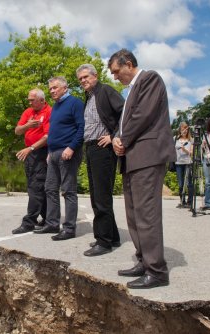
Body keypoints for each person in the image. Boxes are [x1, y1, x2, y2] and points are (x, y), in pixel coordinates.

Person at [109, 49, 176, 289]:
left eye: (117, 72)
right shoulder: (130, 92)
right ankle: (143, 261)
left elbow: (142, 116)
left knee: (146, 215)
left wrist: (123, 139)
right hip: (132, 158)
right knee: (134, 215)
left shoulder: (149, 79)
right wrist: (117, 137)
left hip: (148, 156)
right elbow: (126, 120)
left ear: (128, 64)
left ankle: (156, 271)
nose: (116, 77)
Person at [76, 64, 124, 256]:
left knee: (101, 197)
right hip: (91, 148)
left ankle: (103, 242)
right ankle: (112, 236)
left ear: (95, 76)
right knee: (97, 194)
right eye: (80, 79)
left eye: (86, 76)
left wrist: (114, 136)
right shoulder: (88, 98)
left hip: (103, 148)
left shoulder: (105, 91)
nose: (83, 81)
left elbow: (125, 112)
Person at [34, 76, 84, 241]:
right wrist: (50, 151)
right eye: (50, 89)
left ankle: (69, 228)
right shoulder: (56, 107)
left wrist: (72, 147)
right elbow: (54, 132)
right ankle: (52, 223)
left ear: (65, 87)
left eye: (55, 88)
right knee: (50, 189)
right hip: (54, 153)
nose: (52, 91)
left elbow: (81, 128)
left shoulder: (75, 103)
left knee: (68, 191)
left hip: (68, 152)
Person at [12, 88, 52, 234]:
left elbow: (48, 136)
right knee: (35, 185)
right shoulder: (28, 112)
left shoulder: (49, 112)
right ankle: (48, 218)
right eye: (28, 99)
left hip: (41, 152)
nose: (29, 102)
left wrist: (32, 149)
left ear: (41, 100)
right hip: (29, 153)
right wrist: (27, 126)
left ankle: (29, 221)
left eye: (32, 100)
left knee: (35, 187)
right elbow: (17, 130)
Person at [174, 122, 194, 208]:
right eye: (183, 129)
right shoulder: (175, 138)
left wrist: (184, 150)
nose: (184, 131)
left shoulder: (191, 139)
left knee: (189, 183)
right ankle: (182, 201)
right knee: (181, 184)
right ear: (180, 130)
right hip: (178, 163)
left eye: (186, 129)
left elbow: (191, 153)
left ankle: (189, 202)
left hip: (188, 163)